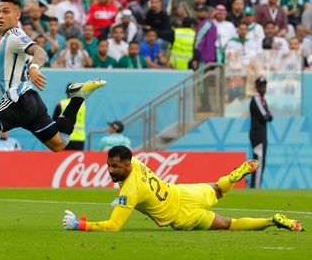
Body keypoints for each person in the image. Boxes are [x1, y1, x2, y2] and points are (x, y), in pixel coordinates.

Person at [0, 0, 106, 194]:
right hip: (32, 101)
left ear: (17, 15)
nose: (0, 16)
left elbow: (39, 51)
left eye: (6, 11)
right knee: (59, 143)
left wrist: (34, 67)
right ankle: (76, 99)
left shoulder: (15, 35)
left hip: (17, 100)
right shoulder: (9, 37)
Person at [62, 145, 303, 232]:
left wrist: (80, 225)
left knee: (232, 224)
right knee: (219, 188)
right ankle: (236, 175)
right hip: (183, 192)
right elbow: (128, 183)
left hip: (183, 216)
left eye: (114, 167)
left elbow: (113, 226)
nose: (110, 171)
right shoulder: (135, 162)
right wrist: (120, 196)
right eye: (108, 166)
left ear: (126, 164)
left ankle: (272, 221)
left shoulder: (130, 191)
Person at [249, 77, 273, 189]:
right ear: (257, 87)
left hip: (261, 134)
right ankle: (255, 187)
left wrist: (269, 116)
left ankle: (256, 186)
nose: (263, 88)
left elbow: (269, 116)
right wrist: (268, 116)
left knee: (261, 161)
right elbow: (265, 116)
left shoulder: (262, 100)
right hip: (258, 134)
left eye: (264, 86)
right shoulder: (257, 99)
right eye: (261, 86)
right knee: (258, 162)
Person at [52, 83, 87, 150]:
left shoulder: (61, 104)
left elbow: (54, 121)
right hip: (79, 138)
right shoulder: (83, 104)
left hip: (64, 137)